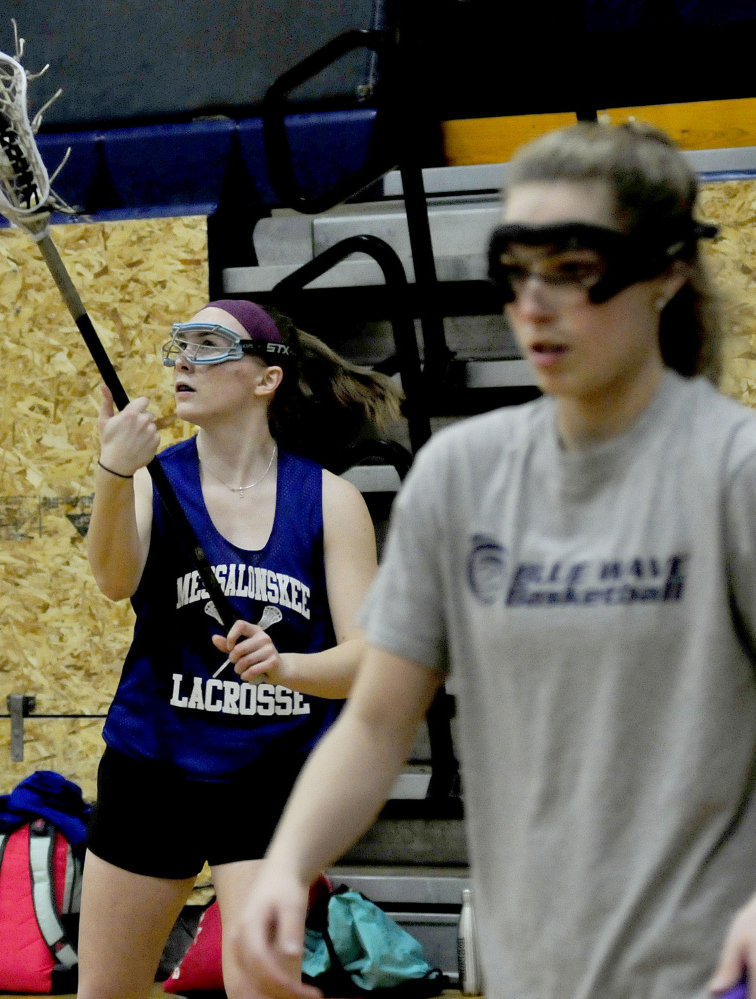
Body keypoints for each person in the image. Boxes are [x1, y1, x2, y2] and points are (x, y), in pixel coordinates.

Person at [232, 121, 756, 999]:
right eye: (517, 269)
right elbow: (375, 722)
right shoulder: (460, 476)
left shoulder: (733, 471)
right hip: (530, 969)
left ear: (667, 273)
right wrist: (286, 867)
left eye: (575, 269)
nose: (534, 305)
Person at [78, 298, 402, 999]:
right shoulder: (153, 480)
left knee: (259, 986)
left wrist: (287, 665)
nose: (185, 360)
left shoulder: (331, 501)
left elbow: (367, 662)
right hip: (152, 767)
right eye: (180, 345)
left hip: (268, 774)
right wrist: (112, 472)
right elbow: (112, 579)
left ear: (266, 379)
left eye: (210, 345)